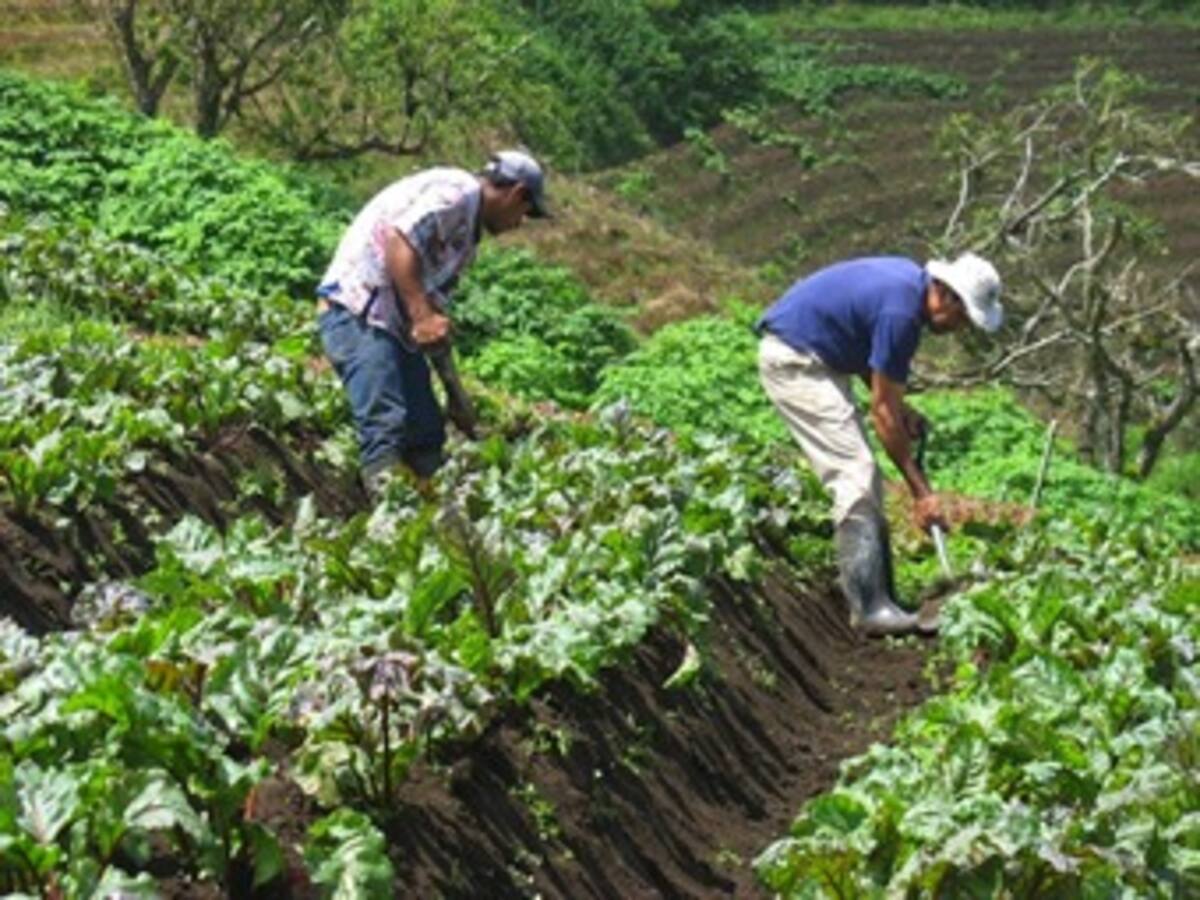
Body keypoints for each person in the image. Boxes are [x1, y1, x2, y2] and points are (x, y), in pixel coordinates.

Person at [756, 252, 1002, 636]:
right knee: (855, 473)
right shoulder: (901, 315)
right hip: (795, 360)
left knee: (864, 474)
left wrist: (902, 410)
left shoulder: (906, 287)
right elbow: (883, 413)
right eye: (963, 317)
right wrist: (921, 493)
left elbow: (866, 356)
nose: (961, 329)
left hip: (818, 355)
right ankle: (870, 609)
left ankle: (882, 597)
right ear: (946, 295)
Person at [316, 150, 549, 495]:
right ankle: (388, 513)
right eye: (525, 212)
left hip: (392, 327)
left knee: (425, 433)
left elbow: (432, 324)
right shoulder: (456, 194)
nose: (520, 223)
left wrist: (455, 394)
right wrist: (422, 316)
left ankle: (430, 514)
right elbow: (399, 240)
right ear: (517, 194)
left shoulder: (465, 239)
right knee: (386, 425)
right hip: (357, 311)